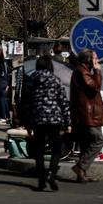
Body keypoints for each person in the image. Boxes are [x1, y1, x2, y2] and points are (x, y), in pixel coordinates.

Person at [21, 54, 70, 191]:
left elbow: (27, 102)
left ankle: (41, 179)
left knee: (39, 149)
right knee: (56, 148)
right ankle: (52, 174)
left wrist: (27, 123)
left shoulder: (31, 80)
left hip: (37, 118)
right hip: (54, 118)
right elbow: (63, 102)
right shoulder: (56, 80)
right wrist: (68, 122)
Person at [70, 49, 103, 182]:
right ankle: (81, 166)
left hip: (88, 113)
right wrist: (97, 71)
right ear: (88, 60)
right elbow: (94, 87)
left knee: (86, 143)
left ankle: (82, 173)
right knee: (98, 140)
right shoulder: (82, 72)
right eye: (95, 58)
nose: (97, 60)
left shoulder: (83, 71)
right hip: (87, 114)